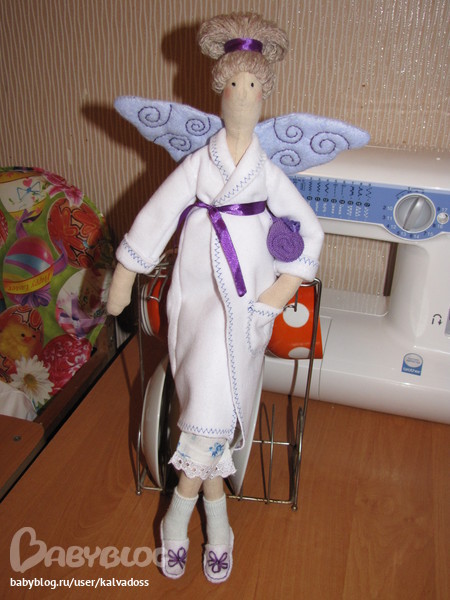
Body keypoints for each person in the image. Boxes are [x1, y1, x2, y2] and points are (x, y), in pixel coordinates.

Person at [107, 12, 324, 583]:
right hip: (200, 296)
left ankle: (183, 515)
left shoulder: (267, 171)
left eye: (253, 86)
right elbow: (159, 212)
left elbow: (308, 229)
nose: (243, 95)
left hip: (251, 304)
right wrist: (127, 271)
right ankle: (210, 521)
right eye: (234, 84)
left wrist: (283, 288)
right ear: (219, 90)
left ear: (264, 95)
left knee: (218, 409)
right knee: (207, 399)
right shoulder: (199, 164)